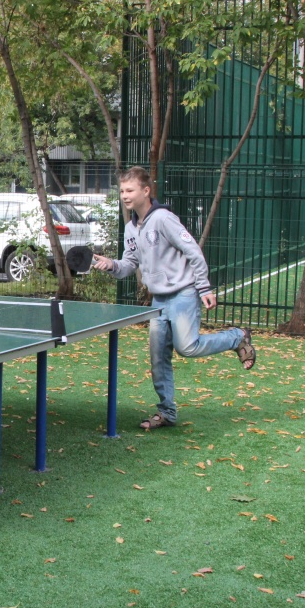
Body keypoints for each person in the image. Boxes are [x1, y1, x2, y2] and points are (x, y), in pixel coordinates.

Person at [91, 166, 255, 430]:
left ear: (146, 191)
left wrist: (204, 287)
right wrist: (111, 264)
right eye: (122, 191)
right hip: (159, 300)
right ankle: (167, 412)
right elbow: (129, 265)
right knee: (158, 360)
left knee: (187, 347)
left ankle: (237, 337)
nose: (124, 195)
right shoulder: (131, 228)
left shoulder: (164, 219)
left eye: (130, 190)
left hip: (183, 293)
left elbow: (193, 251)